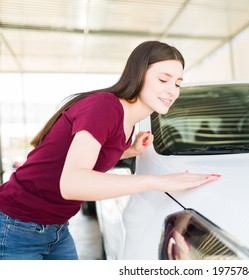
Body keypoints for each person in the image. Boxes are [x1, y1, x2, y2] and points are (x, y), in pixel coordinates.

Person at [0, 41, 221, 260]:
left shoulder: (129, 122)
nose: (172, 91)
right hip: (15, 226)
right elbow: (72, 184)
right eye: (164, 79)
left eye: (178, 84)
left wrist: (130, 150)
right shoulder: (105, 106)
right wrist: (155, 181)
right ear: (138, 74)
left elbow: (86, 156)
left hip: (56, 228)